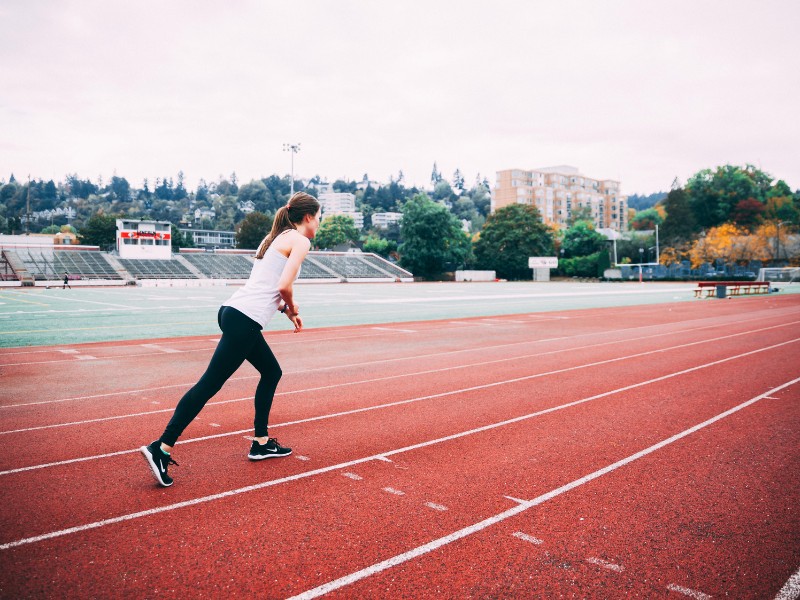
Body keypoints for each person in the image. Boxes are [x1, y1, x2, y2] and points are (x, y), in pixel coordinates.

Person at [141, 192, 321, 487]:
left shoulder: (274, 237)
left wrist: (287, 311)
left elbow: (269, 290)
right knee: (209, 384)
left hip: (233, 312)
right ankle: (161, 448)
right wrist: (293, 307)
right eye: (319, 217)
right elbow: (283, 285)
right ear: (308, 217)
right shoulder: (300, 240)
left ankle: (261, 442)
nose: (319, 223)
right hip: (244, 319)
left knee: (271, 372)